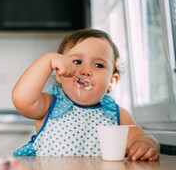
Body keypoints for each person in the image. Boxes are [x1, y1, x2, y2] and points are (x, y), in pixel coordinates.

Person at [12, 28, 159, 161]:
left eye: (98, 65)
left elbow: (141, 136)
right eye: (77, 61)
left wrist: (146, 144)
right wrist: (47, 61)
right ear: (59, 74)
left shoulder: (117, 114)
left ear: (112, 82)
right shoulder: (50, 105)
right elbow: (21, 99)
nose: (86, 70)